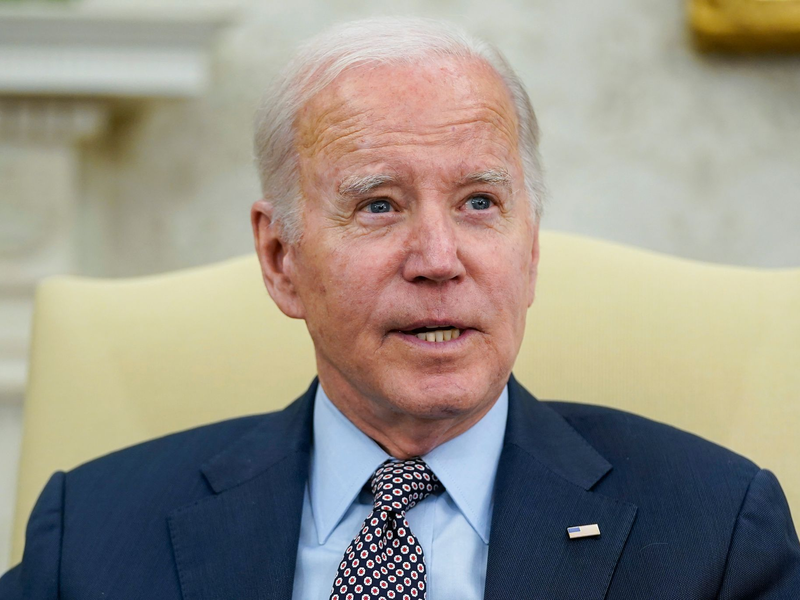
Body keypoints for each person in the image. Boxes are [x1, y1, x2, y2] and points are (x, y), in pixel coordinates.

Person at [1, 16, 798, 600]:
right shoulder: (94, 535)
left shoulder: (716, 532)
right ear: (281, 258)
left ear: (531, 247)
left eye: (480, 202)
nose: (438, 260)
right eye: (379, 205)